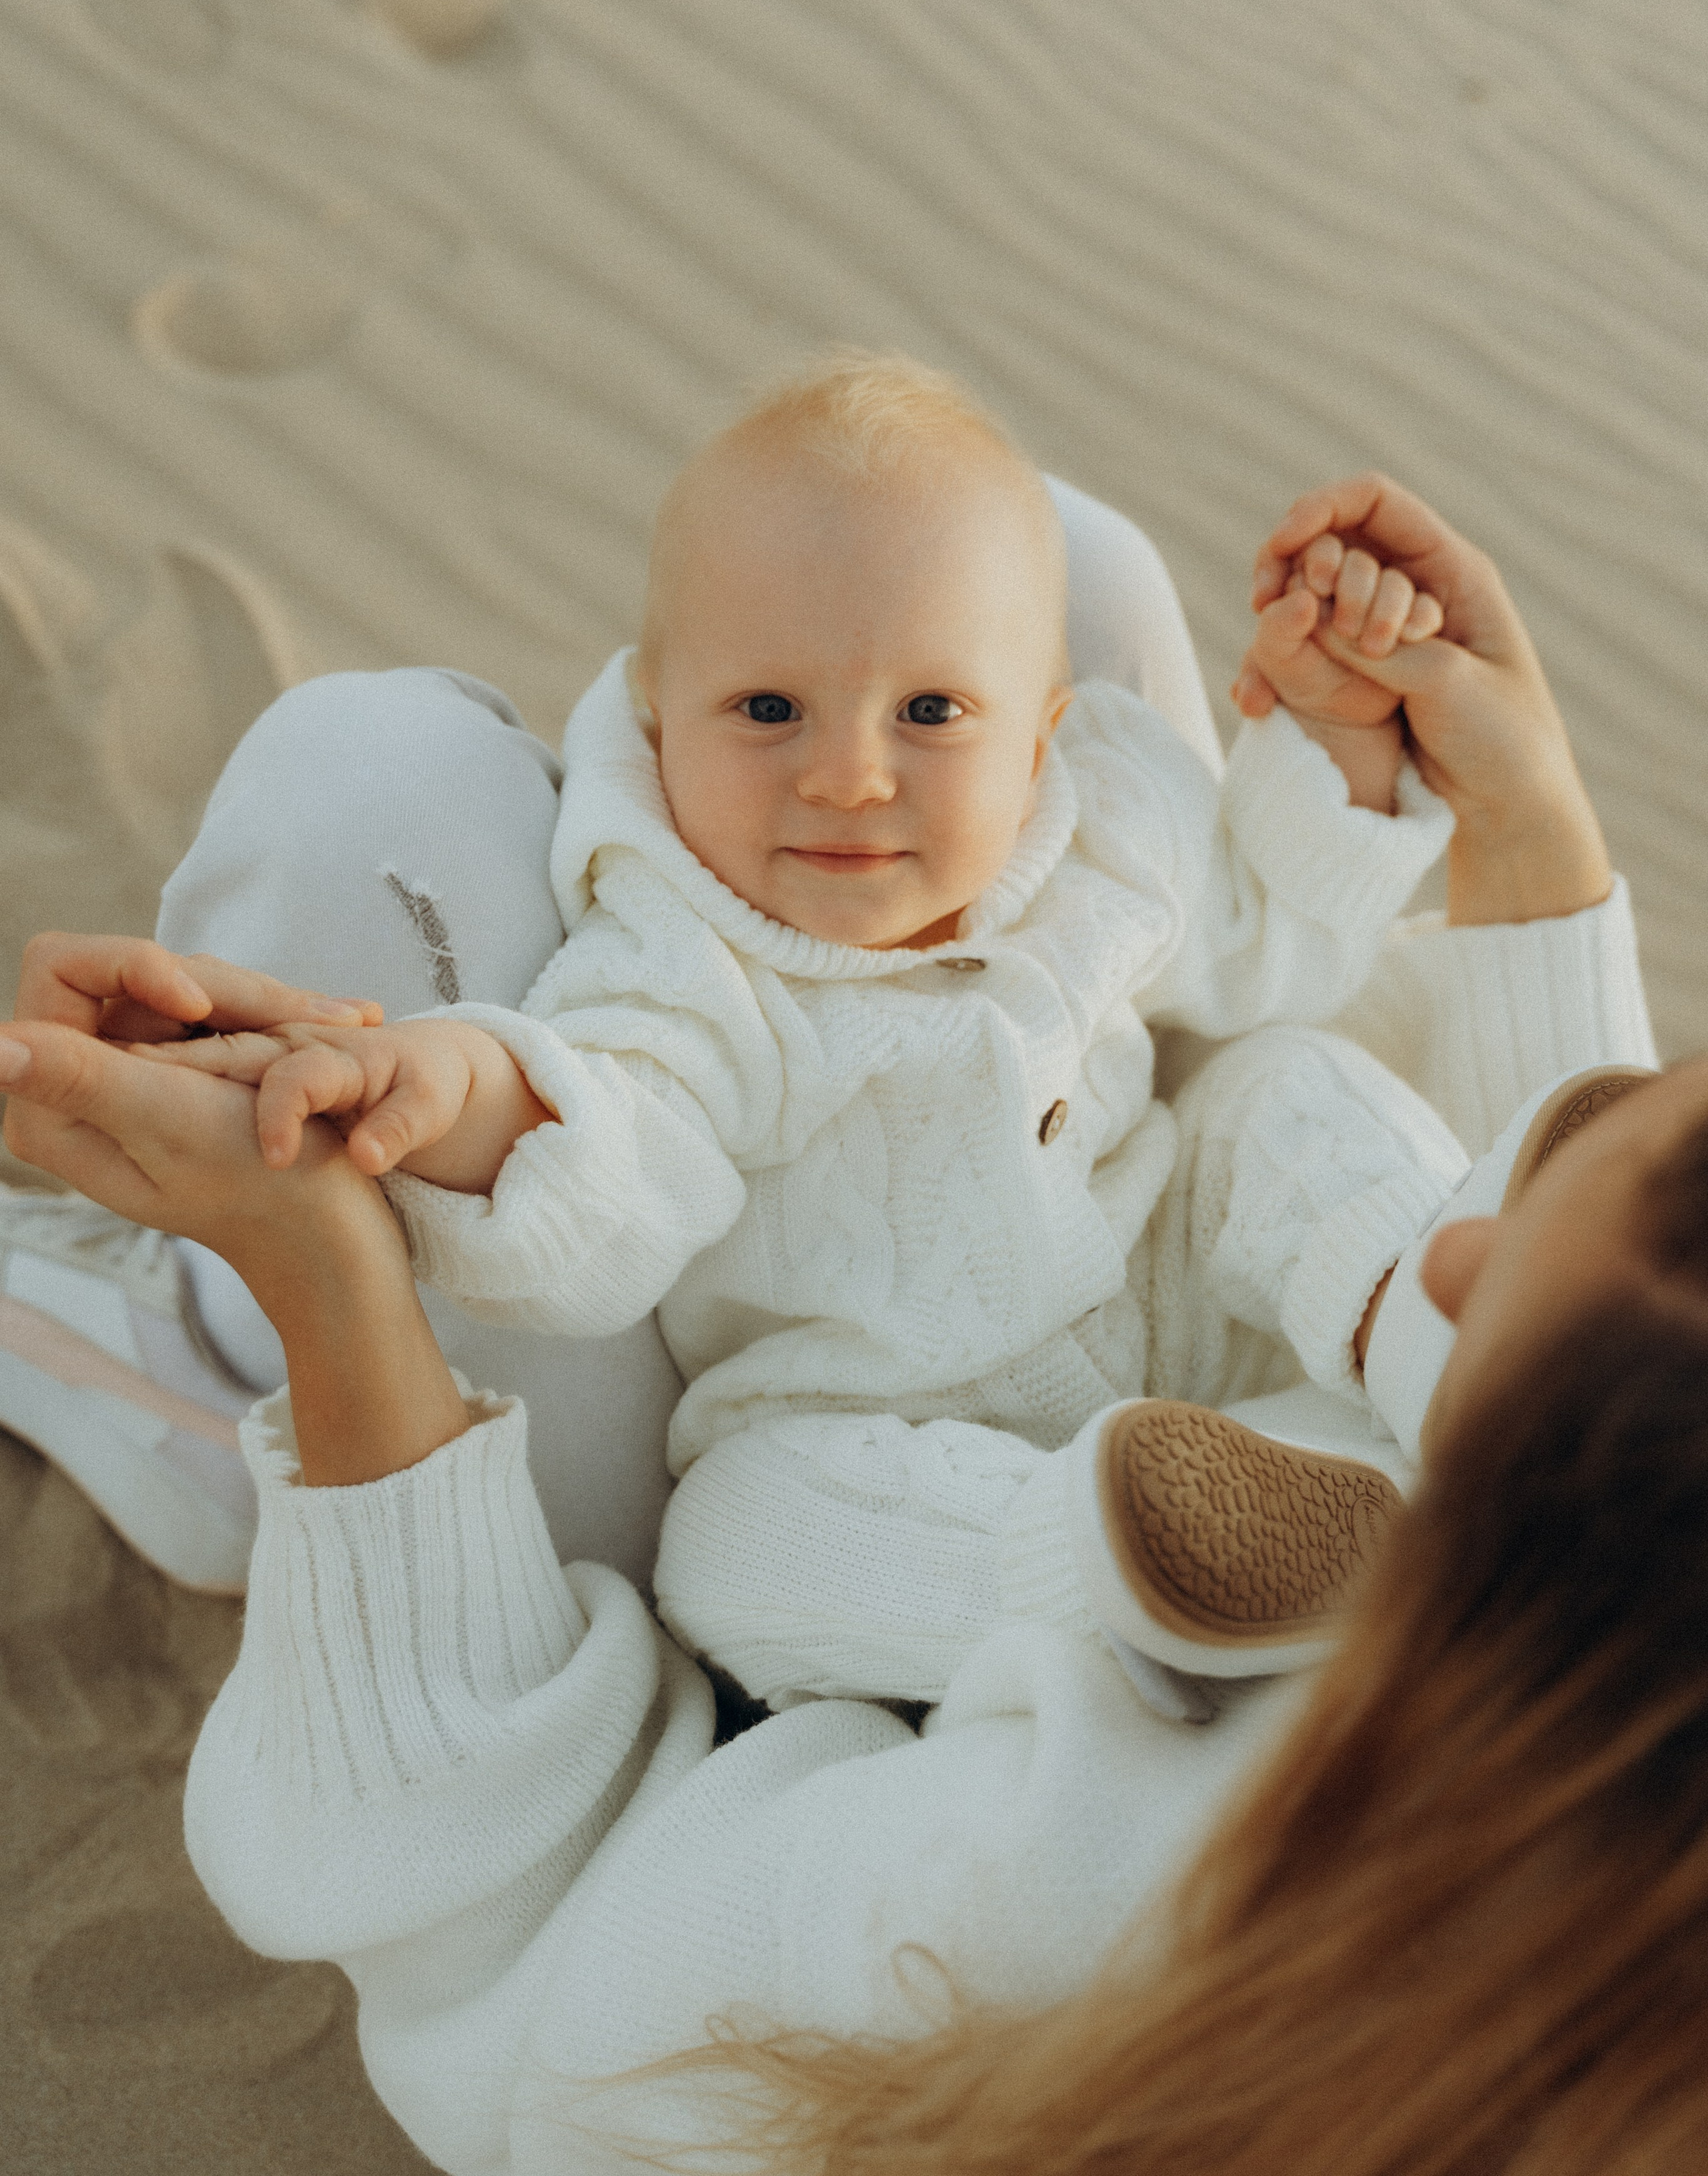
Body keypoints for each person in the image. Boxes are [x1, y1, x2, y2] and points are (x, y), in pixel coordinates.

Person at [0, 483, 1694, 2173]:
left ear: (1479, 1302)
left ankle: (223, 1378)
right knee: (1018, 559)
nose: (848, 776)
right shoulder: (1615, 1550)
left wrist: (331, 1292)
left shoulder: (1041, 1906)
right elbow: (1597, 1283)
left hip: (784, 1558)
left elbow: (520, 1994)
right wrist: (1521, 823)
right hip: (1143, 1281)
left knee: (372, 793)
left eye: (1547, 1173)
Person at [49, 356, 1555, 1704]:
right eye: (767, 711)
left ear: (1039, 732)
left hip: (1154, 1271)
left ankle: (1467, 1347)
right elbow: (611, 1127)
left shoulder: (1102, 829)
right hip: (866, 1408)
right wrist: (434, 1083)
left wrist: (1343, 738)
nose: (845, 777)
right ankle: (1124, 1572)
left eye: (929, 715)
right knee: (738, 1538)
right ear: (656, 721)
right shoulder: (689, 947)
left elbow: (1270, 944)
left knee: (1288, 1091)